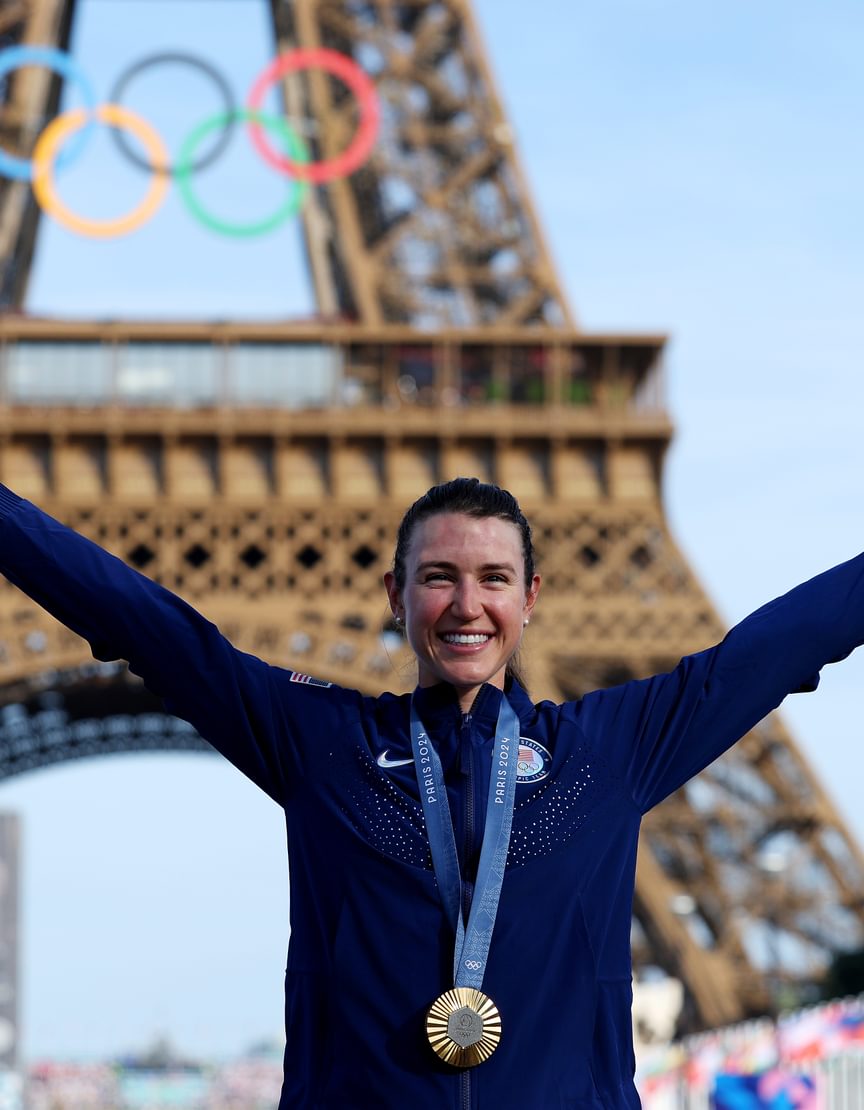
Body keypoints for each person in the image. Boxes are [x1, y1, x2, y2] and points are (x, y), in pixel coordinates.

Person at [0, 476, 862, 1109]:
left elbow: (778, 647)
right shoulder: (320, 743)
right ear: (396, 595)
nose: (466, 604)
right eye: (438, 576)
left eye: (492, 579)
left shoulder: (606, 753)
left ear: (530, 598)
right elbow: (145, 622)